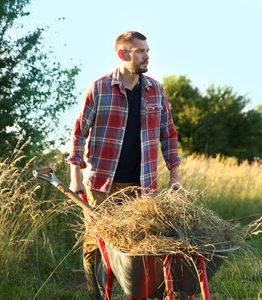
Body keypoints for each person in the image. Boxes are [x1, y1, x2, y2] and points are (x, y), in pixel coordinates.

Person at [66, 31, 182, 299]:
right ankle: (99, 295)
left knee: (142, 242)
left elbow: (169, 135)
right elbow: (78, 132)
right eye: (141, 51)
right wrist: (76, 176)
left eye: (147, 50)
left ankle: (138, 293)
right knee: (97, 242)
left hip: (143, 186)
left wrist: (174, 175)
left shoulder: (155, 90)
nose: (147, 55)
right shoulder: (100, 88)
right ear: (123, 54)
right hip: (102, 184)